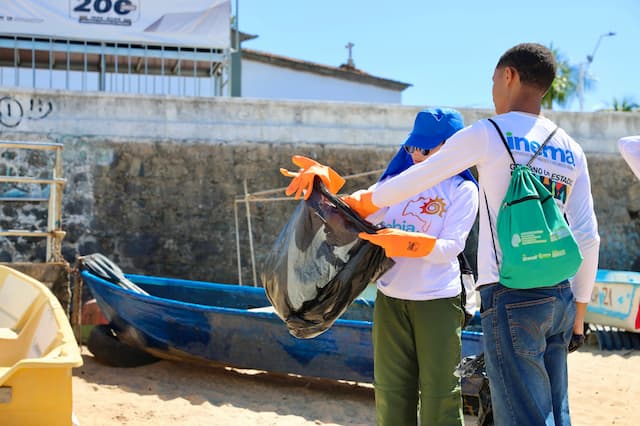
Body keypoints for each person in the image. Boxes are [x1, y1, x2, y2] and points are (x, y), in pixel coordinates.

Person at [284, 43, 601, 426]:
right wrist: (580, 316)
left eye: (493, 81)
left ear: (508, 76)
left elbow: (418, 178)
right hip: (562, 295)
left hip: (512, 291)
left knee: (522, 414)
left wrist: (360, 202)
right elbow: (588, 236)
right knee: (554, 409)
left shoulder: (489, 133)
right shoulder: (570, 149)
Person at [282, 108, 478, 426]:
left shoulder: (462, 190)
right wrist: (324, 185)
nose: (416, 154)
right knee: (391, 392)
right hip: (390, 300)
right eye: (412, 146)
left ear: (451, 148)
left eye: (425, 148)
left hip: (438, 301)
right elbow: (353, 213)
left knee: (441, 394)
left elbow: (451, 248)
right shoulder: (394, 183)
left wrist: (408, 243)